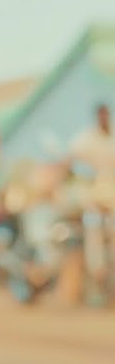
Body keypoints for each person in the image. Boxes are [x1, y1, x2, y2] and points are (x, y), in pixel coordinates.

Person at [68, 103, 115, 305]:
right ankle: (98, 281)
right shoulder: (86, 140)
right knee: (94, 240)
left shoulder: (111, 140)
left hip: (112, 201)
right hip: (93, 202)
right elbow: (72, 160)